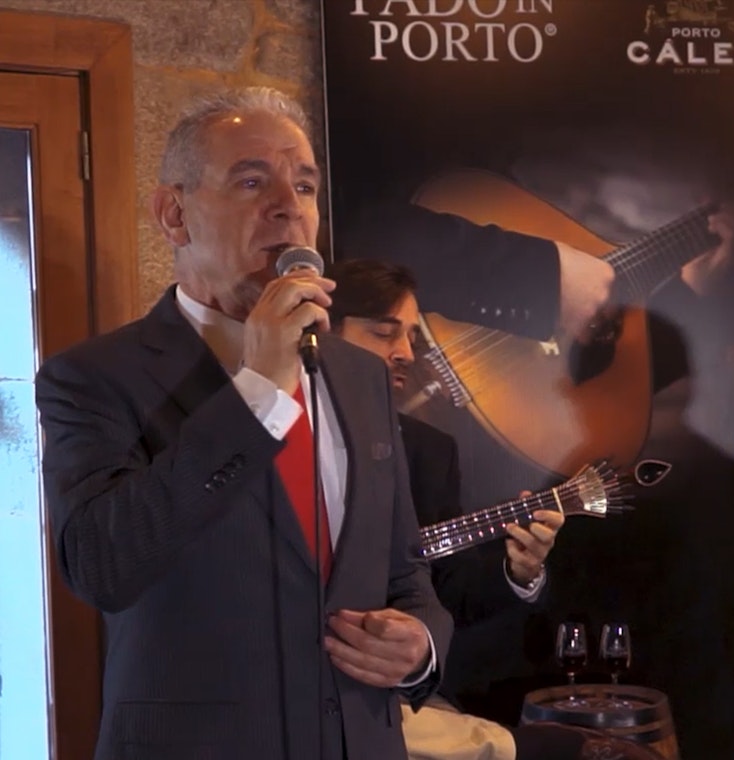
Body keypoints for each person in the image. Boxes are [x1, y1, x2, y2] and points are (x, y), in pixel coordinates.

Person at [35, 87, 453, 760]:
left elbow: (403, 570)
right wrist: (256, 387)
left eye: (306, 184)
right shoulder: (90, 378)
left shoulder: (360, 375)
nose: (290, 206)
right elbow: (102, 567)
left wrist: (421, 647)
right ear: (174, 216)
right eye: (253, 180)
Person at [328, 258, 585, 760]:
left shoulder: (429, 450)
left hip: (398, 696)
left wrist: (519, 570)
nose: (404, 353)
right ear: (324, 333)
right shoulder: (277, 433)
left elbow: (447, 589)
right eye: (385, 333)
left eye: (409, 337)